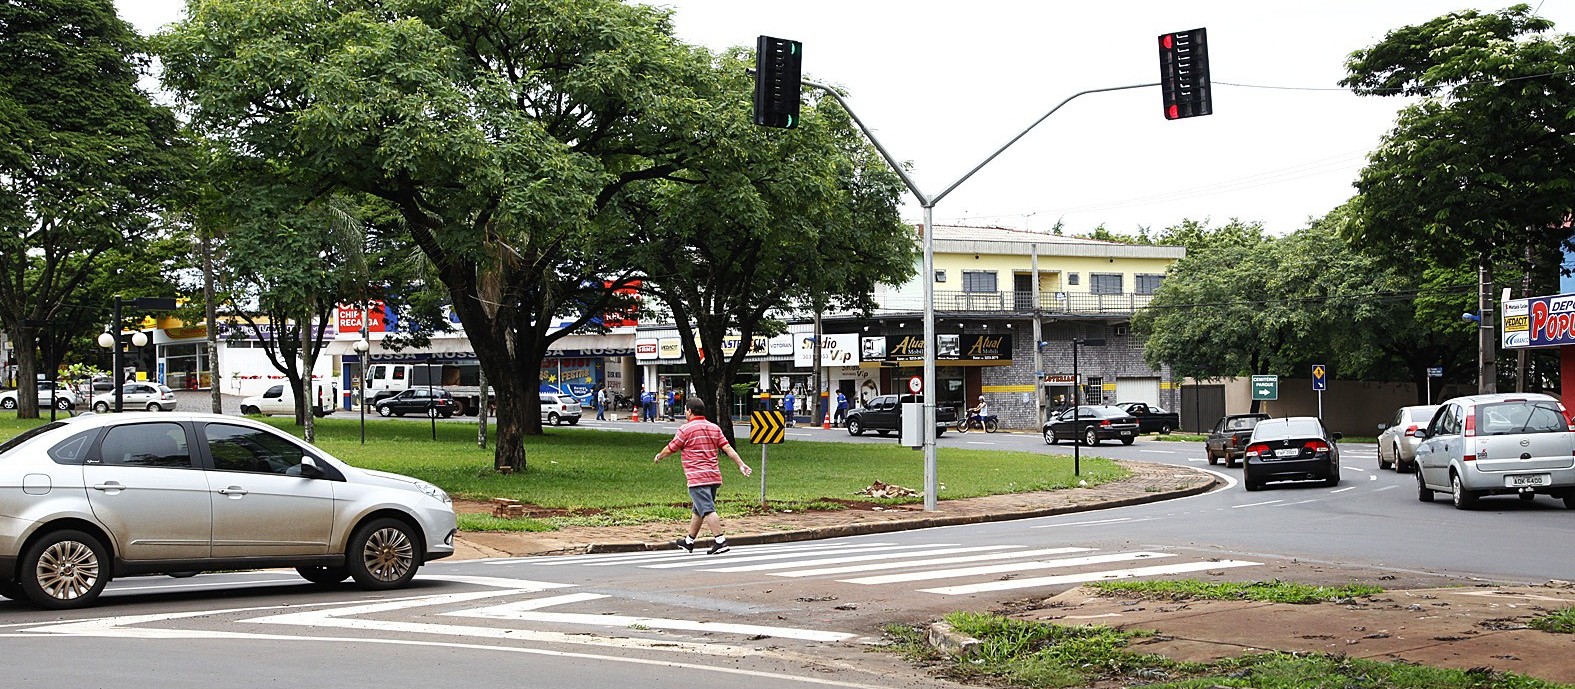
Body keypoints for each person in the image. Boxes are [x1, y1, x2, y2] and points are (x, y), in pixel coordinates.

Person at [653, 398, 752, 555]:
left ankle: (720, 541)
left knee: (707, 509)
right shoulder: (714, 428)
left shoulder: (685, 430)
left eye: (686, 410)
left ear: (690, 411)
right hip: (713, 477)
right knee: (699, 509)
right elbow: (727, 447)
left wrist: (659, 456)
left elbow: (671, 447)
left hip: (697, 477)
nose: (685, 413)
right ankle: (689, 541)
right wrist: (741, 464)